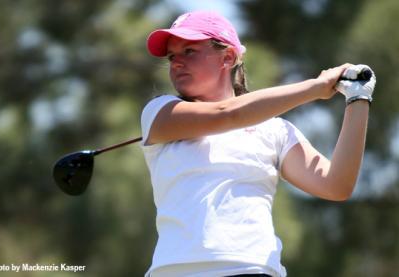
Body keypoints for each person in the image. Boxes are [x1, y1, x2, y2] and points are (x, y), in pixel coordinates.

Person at [140, 10, 375, 277]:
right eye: (172, 57)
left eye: (189, 51)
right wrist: (316, 87)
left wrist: (358, 99)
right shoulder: (160, 113)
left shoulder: (274, 130)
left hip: (252, 269)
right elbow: (228, 114)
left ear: (227, 57)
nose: (177, 63)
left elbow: (336, 185)